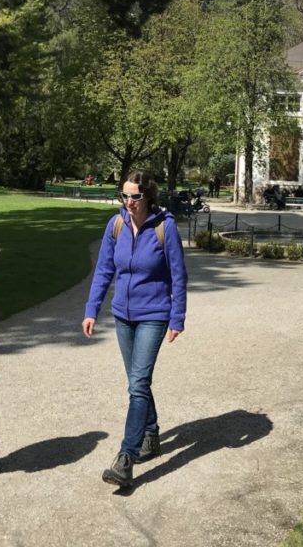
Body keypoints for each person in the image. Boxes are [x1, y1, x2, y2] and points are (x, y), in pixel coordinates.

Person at [82, 171, 188, 488]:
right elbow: (103, 269)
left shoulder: (164, 227)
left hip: (154, 314)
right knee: (136, 382)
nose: (129, 202)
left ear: (148, 196)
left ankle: (125, 458)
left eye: (135, 197)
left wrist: (177, 317)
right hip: (122, 316)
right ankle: (151, 434)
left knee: (138, 384)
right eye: (124, 196)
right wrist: (91, 309)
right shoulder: (116, 226)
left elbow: (179, 276)